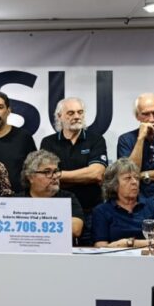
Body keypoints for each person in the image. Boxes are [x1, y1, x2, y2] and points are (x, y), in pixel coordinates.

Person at [40, 97, 107, 245]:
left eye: (80, 112)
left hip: (91, 212)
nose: (77, 116)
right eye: (70, 113)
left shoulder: (96, 140)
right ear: (59, 116)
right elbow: (46, 178)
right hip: (57, 213)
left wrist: (60, 175)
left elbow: (97, 174)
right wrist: (84, 177)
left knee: (90, 255)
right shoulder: (48, 142)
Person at [91, 158, 154, 248]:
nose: (134, 182)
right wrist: (146, 243)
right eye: (128, 178)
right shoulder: (102, 211)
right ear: (114, 184)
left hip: (149, 255)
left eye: (136, 178)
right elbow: (100, 246)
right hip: (115, 257)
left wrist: (128, 243)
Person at [18, 150, 84, 242]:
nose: (55, 176)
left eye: (56, 171)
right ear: (30, 177)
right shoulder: (16, 201)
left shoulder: (67, 198)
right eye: (47, 172)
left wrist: (29, 226)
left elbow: (75, 229)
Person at [0, 91, 36, 193]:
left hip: (19, 198)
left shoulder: (24, 137)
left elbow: (34, 170)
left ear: (8, 111)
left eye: (0, 107)